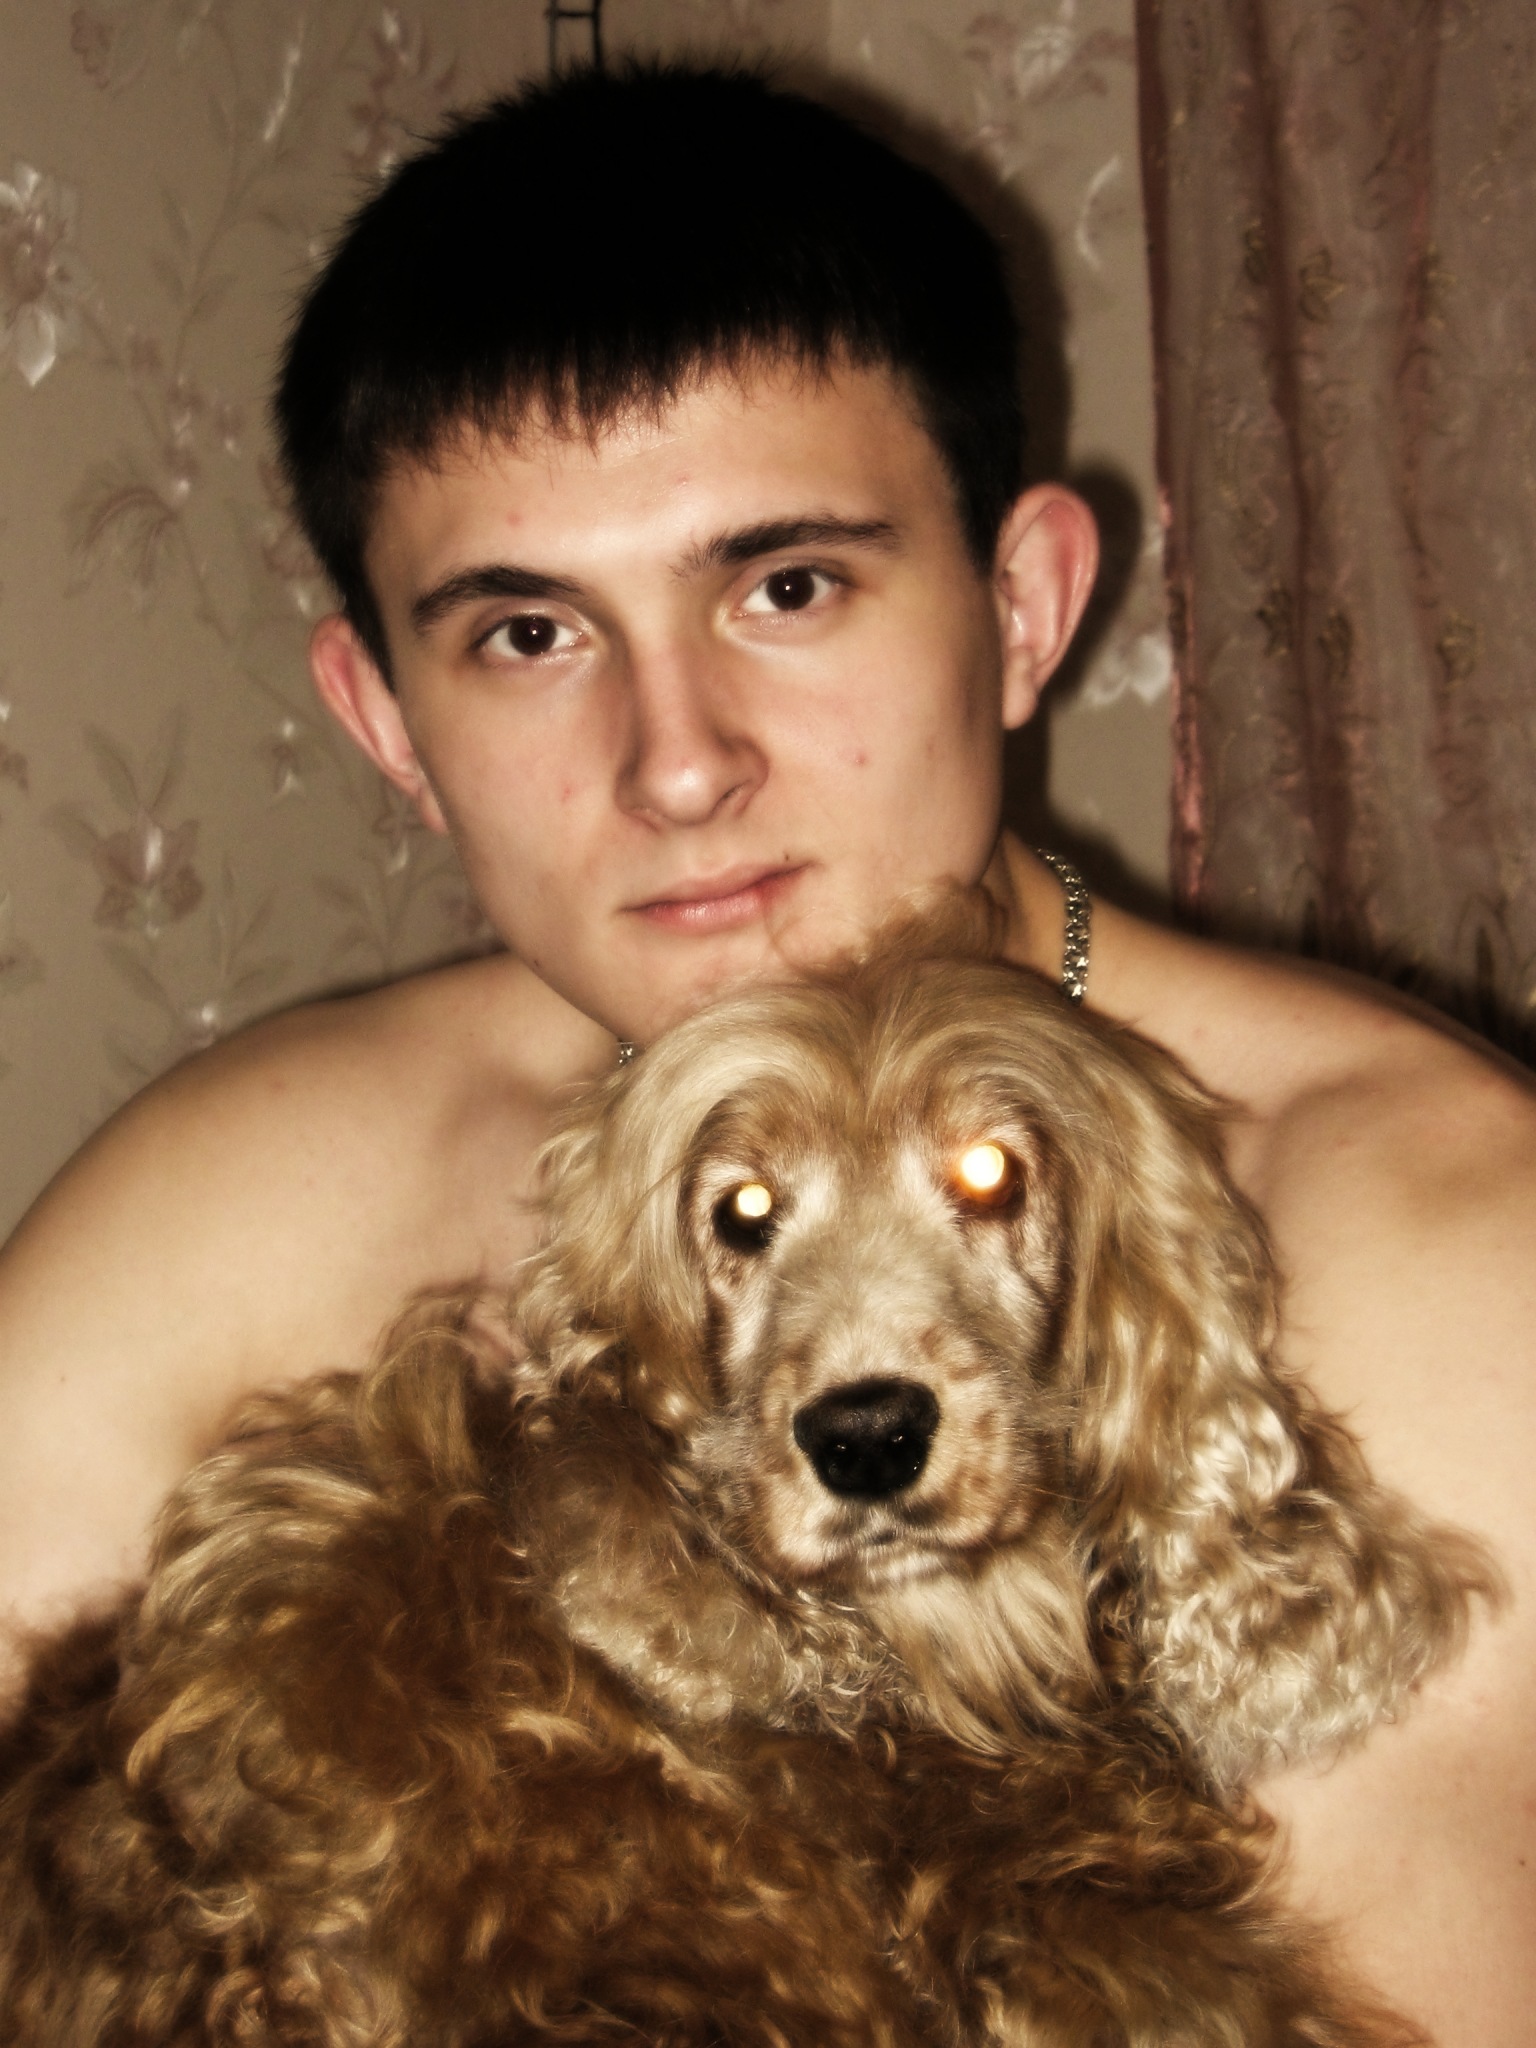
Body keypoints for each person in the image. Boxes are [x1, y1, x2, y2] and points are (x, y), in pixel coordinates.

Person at [1, 61, 1532, 2042]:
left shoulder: (1445, 1258)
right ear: (386, 722)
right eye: (529, 636)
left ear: (1021, 607)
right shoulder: (238, 1201)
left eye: (787, 587)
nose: (678, 763)